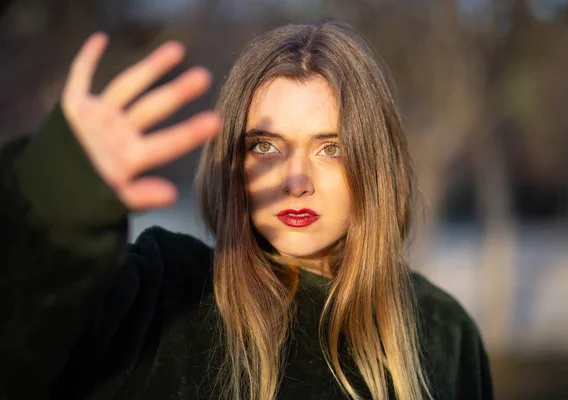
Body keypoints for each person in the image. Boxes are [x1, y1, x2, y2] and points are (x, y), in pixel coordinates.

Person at [0, 21, 493, 400]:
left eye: (331, 148)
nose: (296, 182)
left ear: (376, 163)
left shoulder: (442, 332)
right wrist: (57, 194)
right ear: (232, 161)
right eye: (266, 147)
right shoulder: (164, 297)